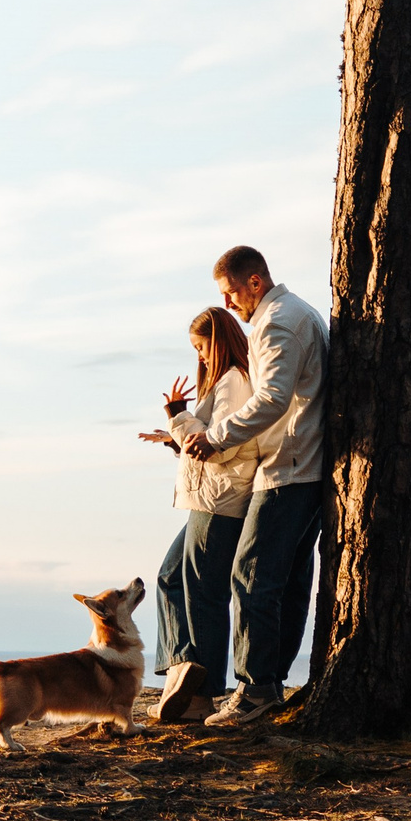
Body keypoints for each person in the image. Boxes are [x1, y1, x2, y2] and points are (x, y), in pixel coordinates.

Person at [167, 243, 326, 726]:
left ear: (254, 282)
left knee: (251, 575)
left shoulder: (278, 322)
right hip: (305, 464)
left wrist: (215, 438)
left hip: (287, 467)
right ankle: (268, 685)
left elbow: (273, 400)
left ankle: (255, 694)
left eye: (230, 292)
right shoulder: (301, 313)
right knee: (287, 580)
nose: (230, 304)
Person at [138, 306, 260, 724]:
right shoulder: (225, 382)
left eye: (202, 346)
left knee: (204, 595)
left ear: (220, 341)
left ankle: (200, 695)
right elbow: (203, 442)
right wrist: (175, 437)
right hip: (208, 499)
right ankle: (181, 676)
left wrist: (176, 417)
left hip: (221, 502)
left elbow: (221, 444)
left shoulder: (235, 382)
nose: (201, 356)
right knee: (171, 578)